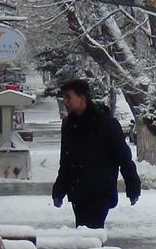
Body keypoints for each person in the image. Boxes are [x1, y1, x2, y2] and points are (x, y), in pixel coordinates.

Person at [52, 79, 141, 229]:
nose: (65, 102)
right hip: (78, 192)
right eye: (64, 98)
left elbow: (123, 157)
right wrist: (59, 189)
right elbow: (66, 160)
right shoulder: (68, 125)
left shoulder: (105, 124)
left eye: (69, 97)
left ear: (82, 98)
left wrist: (132, 186)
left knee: (92, 232)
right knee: (82, 233)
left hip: (100, 192)